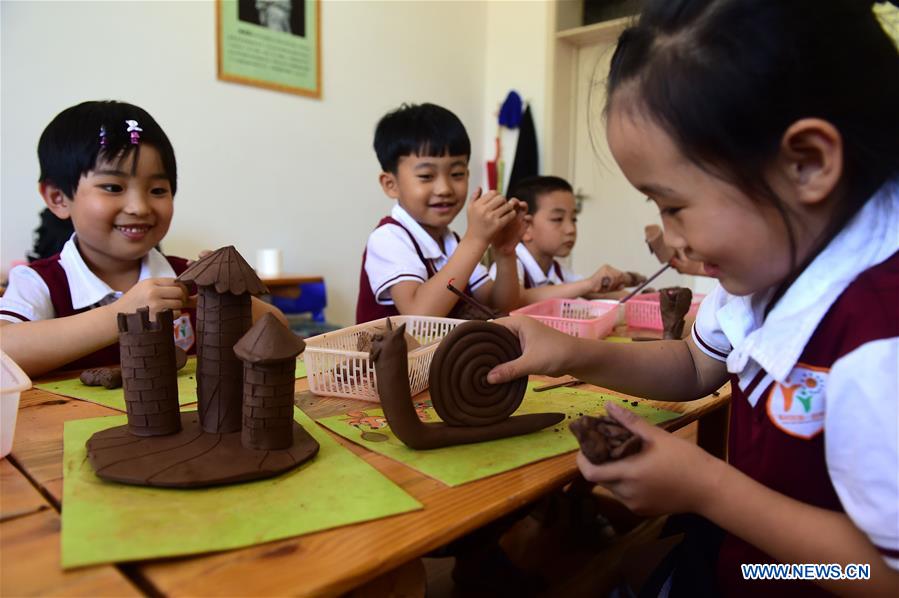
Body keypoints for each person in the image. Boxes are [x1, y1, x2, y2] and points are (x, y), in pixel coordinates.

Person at [487, 1, 899, 594]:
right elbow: (695, 363)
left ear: (807, 164)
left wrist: (708, 489)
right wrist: (570, 351)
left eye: (673, 206)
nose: (670, 237)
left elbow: (880, 572)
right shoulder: (773, 266)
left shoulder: (876, 340)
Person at [0, 101, 285, 377]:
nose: (139, 207)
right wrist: (119, 315)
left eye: (158, 190)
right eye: (113, 187)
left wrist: (226, 297)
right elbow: (4, 352)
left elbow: (278, 331)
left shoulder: (186, 276)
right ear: (58, 198)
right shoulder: (39, 282)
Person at [356, 102, 525, 323]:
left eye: (456, 174)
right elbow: (418, 314)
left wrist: (505, 253)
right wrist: (475, 239)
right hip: (386, 358)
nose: (445, 189)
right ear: (391, 184)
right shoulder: (388, 237)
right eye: (426, 176)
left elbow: (500, 307)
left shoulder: (452, 242)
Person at [488, 175, 645, 303]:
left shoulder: (558, 270)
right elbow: (517, 299)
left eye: (574, 219)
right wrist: (589, 284)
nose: (571, 229)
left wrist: (640, 298)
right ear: (526, 227)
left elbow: (595, 292)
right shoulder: (509, 266)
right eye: (558, 219)